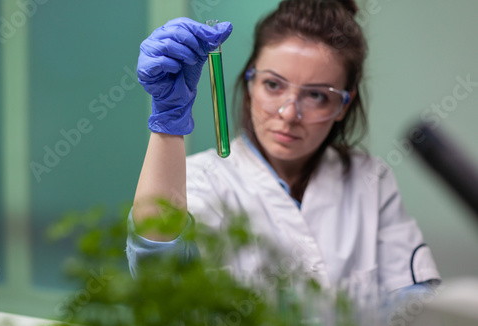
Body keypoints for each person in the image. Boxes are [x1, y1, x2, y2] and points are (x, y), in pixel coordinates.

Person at [126, 0, 440, 296]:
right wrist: (167, 122)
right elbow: (157, 275)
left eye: (317, 95)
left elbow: (412, 307)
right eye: (273, 85)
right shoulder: (200, 179)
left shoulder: (370, 179)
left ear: (344, 103)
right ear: (250, 82)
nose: (289, 114)